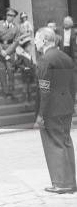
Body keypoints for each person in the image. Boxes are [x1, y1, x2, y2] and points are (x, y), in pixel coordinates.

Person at [33, 27, 77, 194]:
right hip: (65, 106)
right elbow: (73, 85)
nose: (35, 42)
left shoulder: (45, 60)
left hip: (51, 109)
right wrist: (72, 105)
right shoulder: (66, 58)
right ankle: (71, 181)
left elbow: (44, 89)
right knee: (66, 142)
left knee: (54, 144)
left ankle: (61, 183)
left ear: (44, 40)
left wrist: (40, 114)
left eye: (36, 39)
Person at [0, 8, 19, 98]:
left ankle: (11, 91)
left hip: (10, 50)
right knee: (2, 71)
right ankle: (4, 91)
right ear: (6, 15)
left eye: (12, 16)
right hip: (0, 49)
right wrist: (1, 50)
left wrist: (7, 52)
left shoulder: (16, 27)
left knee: (10, 71)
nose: (10, 17)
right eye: (8, 15)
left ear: (14, 17)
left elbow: (16, 41)